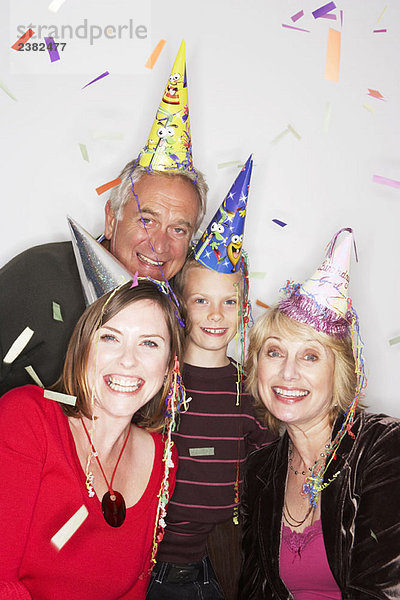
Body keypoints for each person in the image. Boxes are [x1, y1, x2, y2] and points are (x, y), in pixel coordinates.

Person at [0, 40, 207, 395]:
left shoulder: (189, 312)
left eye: (178, 229)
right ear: (111, 218)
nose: (159, 244)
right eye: (146, 219)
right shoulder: (37, 275)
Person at [238, 228, 400, 599]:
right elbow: (256, 589)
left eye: (310, 356)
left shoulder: (385, 449)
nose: (288, 373)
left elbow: (383, 592)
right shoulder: (261, 469)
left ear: (338, 372)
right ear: (256, 367)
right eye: (274, 352)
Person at [0, 278, 187, 600]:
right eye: (110, 337)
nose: (128, 360)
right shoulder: (27, 417)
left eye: (149, 343)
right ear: (83, 346)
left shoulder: (163, 457)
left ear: (171, 366)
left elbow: (134, 589)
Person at [147, 157, 276, 600]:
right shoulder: (157, 376)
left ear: (243, 307)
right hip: (141, 559)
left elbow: (265, 469)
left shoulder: (251, 391)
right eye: (202, 300)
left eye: (228, 302)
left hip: (212, 562)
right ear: (180, 305)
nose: (216, 315)